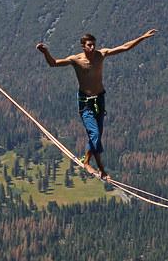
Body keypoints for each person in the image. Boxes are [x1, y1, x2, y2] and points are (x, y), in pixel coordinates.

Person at [35, 29, 157, 178]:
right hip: (85, 103)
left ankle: (87, 161)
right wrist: (45, 52)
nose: (92, 48)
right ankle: (99, 169)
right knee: (95, 134)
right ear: (83, 46)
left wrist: (142, 37)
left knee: (96, 136)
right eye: (89, 45)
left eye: (93, 45)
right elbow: (53, 63)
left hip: (100, 100)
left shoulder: (101, 55)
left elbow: (125, 47)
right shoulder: (76, 60)